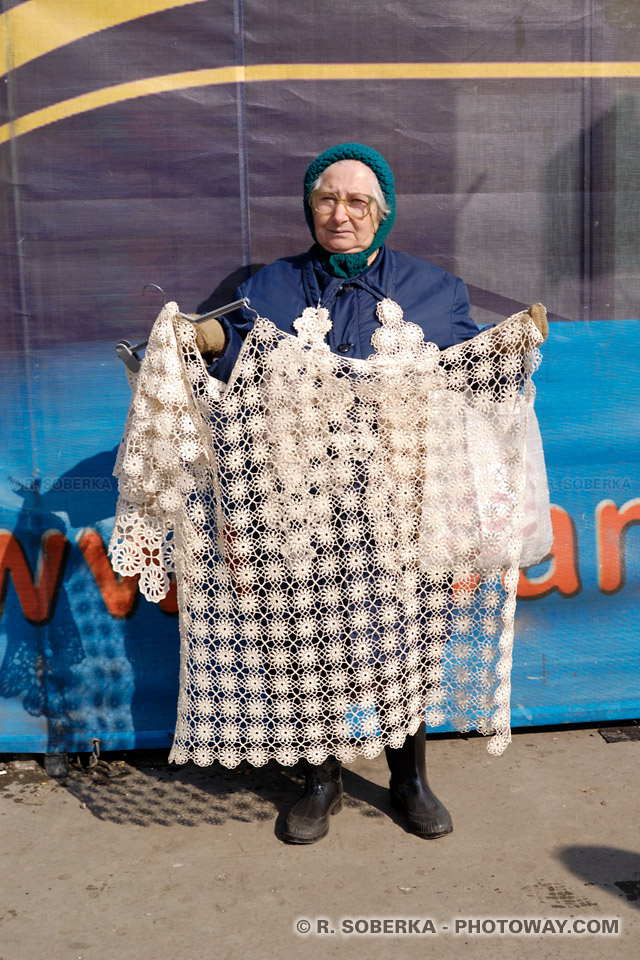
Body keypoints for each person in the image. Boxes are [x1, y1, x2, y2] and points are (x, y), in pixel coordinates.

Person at [193, 143, 548, 844]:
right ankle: (319, 782)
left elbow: (466, 377)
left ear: (382, 214)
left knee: (405, 637)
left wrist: (510, 347)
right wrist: (206, 339)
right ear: (310, 208)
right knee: (306, 640)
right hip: (299, 498)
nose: (341, 214)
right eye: (327, 200)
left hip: (399, 500)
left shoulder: (433, 289)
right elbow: (237, 358)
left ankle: (408, 779)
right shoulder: (269, 286)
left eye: (358, 202)